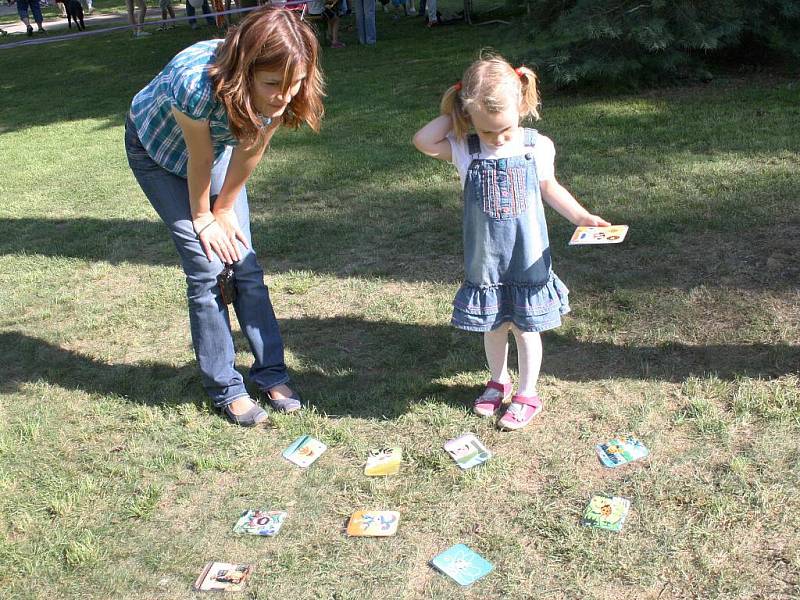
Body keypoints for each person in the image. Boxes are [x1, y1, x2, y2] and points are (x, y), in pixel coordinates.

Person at [124, 7, 324, 426]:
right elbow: (197, 159)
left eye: (294, 84)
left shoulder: (283, 91)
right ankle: (225, 388)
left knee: (244, 265)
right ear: (244, 68)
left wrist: (225, 208)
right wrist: (203, 217)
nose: (283, 96)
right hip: (158, 155)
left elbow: (250, 148)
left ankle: (272, 374)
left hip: (215, 152)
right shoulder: (194, 83)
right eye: (272, 84)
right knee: (206, 268)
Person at [412, 54, 610, 431]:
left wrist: (582, 217)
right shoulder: (465, 149)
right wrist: (457, 109)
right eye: (488, 132)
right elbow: (423, 140)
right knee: (494, 325)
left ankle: (527, 392)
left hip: (527, 258)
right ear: (469, 119)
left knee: (525, 327)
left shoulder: (536, 147)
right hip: (486, 262)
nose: (498, 138)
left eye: (505, 129)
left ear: (521, 106)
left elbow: (551, 188)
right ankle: (497, 380)